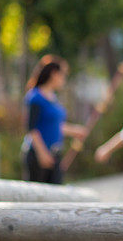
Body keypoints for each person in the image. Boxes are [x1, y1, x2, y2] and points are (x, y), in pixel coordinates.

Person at [22, 55, 87, 184]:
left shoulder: (53, 98)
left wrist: (74, 131)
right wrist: (42, 153)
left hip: (55, 154)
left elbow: (54, 125)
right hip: (38, 155)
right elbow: (31, 128)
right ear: (54, 74)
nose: (64, 79)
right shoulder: (35, 97)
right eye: (63, 74)